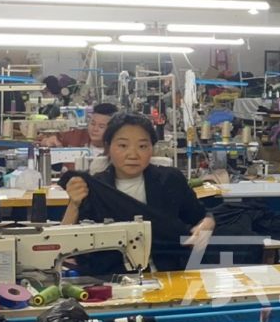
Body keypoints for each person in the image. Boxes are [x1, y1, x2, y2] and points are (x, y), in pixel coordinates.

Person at [61, 112, 215, 272]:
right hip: (111, 279)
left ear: (152, 148)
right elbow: (63, 244)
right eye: (123, 146)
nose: (133, 154)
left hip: (169, 275)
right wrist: (74, 204)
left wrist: (206, 225)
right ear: (108, 147)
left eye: (142, 146)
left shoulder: (170, 181)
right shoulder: (95, 188)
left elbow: (201, 216)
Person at [40, 102, 117, 152]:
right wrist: (49, 141)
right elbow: (45, 141)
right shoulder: (77, 136)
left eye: (101, 127)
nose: (95, 129)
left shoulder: (117, 149)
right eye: (92, 124)